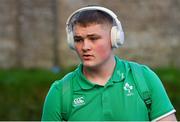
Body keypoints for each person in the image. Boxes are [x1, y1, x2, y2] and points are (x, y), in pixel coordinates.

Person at [41, 5, 177, 121]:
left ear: (114, 39)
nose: (85, 47)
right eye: (78, 39)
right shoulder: (60, 93)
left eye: (93, 38)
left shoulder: (144, 79)